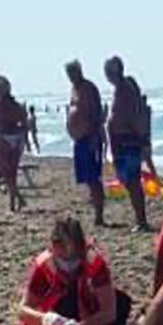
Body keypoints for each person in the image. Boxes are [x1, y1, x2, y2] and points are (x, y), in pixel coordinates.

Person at [18, 218, 132, 325]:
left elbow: (109, 312)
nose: (69, 264)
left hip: (91, 316)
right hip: (60, 319)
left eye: (74, 258)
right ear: (53, 248)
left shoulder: (94, 262)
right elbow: (23, 311)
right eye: (62, 258)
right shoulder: (44, 266)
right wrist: (46, 319)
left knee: (121, 302)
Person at [104, 56, 151, 232]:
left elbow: (137, 115)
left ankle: (141, 221)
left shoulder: (126, 89)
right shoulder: (121, 88)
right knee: (128, 181)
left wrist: (143, 140)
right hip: (122, 141)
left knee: (132, 182)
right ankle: (140, 219)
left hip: (128, 141)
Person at [66, 60, 107, 226]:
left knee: (93, 177)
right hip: (79, 138)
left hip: (90, 137)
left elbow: (96, 115)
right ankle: (95, 208)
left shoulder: (89, 88)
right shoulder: (73, 89)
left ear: (79, 71)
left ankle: (99, 214)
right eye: (68, 74)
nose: (71, 77)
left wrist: (94, 137)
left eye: (73, 72)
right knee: (87, 178)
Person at [0, 75, 29, 212]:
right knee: (12, 173)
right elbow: (24, 122)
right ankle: (14, 203)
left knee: (7, 173)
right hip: (16, 138)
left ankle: (18, 201)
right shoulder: (14, 104)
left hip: (4, 137)